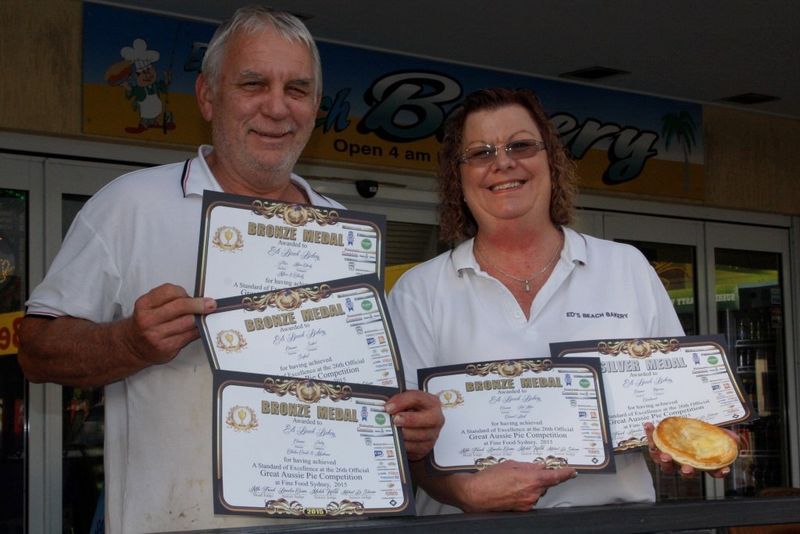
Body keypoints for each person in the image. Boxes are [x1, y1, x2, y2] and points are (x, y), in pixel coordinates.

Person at [18, 6, 441, 532]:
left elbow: (371, 391)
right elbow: (35, 350)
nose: (277, 107)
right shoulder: (131, 205)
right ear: (207, 96)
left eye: (297, 89)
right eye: (253, 83)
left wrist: (409, 423)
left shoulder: (345, 235)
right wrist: (129, 342)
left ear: (315, 107)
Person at [387, 87, 730, 515]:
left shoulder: (626, 267)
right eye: (480, 152)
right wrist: (465, 493)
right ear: (458, 177)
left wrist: (702, 435)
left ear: (552, 159)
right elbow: (403, 435)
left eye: (520, 145)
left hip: (614, 524)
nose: (503, 162)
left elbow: (681, 405)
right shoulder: (418, 290)